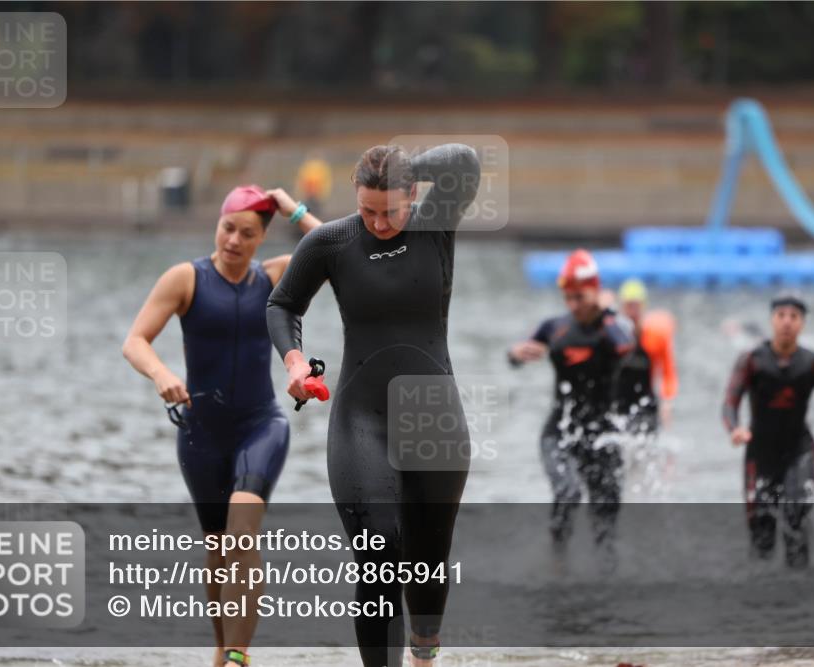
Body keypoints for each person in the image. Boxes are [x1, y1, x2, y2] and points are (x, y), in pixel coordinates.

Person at [267, 143, 481, 667]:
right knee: (378, 553)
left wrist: (404, 164)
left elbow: (466, 162)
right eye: (368, 210)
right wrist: (294, 362)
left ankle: (424, 657)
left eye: (390, 209)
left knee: (428, 563)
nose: (379, 222)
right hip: (361, 416)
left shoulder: (436, 223)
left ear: (413, 194)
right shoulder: (330, 241)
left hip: (435, 415)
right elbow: (283, 303)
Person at [122, 185, 322, 667]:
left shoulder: (275, 276)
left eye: (247, 233)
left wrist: (291, 207)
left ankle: (238, 655)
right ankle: (221, 649)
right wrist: (162, 373)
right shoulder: (185, 279)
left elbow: (336, 247)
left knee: (241, 535)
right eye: (227, 227)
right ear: (218, 223)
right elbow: (135, 341)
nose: (233, 240)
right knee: (217, 550)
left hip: (261, 424)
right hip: (201, 434)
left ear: (261, 237)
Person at [721, 294, 814, 568]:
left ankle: (800, 596)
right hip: (760, 454)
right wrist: (735, 429)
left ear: (802, 324)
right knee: (761, 535)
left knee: (795, 519)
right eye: (781, 316)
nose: (787, 323)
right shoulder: (752, 361)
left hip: (799, 452)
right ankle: (761, 597)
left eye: (794, 317)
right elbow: (730, 402)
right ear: (772, 321)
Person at [508, 250, 635, 551]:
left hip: (602, 435)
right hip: (560, 432)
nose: (573, 305)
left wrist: (607, 313)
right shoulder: (555, 327)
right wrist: (515, 354)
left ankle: (604, 576)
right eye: (568, 298)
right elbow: (517, 356)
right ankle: (557, 562)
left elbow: (626, 348)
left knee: (606, 518)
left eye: (580, 297)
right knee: (568, 491)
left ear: (596, 291)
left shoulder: (612, 327)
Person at [616, 278, 679, 434]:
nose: (632, 311)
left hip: (646, 403)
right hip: (618, 403)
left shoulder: (655, 337)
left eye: (635, 305)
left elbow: (668, 372)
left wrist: (667, 401)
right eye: (628, 306)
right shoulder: (613, 337)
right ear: (622, 307)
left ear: (643, 306)